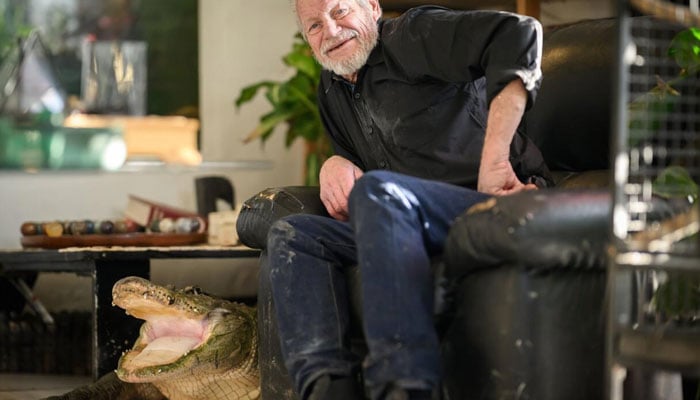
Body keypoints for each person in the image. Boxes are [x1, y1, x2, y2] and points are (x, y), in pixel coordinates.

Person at [266, 1, 552, 399]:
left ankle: (404, 386)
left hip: (494, 204)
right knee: (294, 234)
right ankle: (327, 388)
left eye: (340, 11)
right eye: (314, 25)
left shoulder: (412, 37)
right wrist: (335, 162)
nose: (330, 31)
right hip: (404, 223)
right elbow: (357, 170)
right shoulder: (331, 90)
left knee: (379, 192)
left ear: (372, 7)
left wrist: (496, 158)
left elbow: (519, 34)